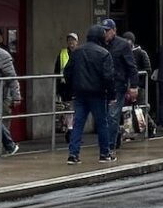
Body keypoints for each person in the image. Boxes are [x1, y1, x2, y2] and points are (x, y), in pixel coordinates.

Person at [63, 24, 114, 165]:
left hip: (80, 93)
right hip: (98, 93)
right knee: (102, 124)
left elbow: (67, 71)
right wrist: (111, 95)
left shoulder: (77, 52)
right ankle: (104, 153)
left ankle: (73, 154)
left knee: (78, 123)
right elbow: (108, 77)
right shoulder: (104, 53)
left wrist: (72, 86)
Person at [101, 19, 138, 156]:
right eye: (104, 31)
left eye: (108, 30)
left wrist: (133, 86)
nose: (105, 33)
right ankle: (115, 138)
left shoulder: (123, 45)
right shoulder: (100, 44)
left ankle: (109, 146)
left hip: (118, 85)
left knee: (112, 115)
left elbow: (131, 66)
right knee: (106, 116)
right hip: (104, 86)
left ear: (114, 30)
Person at [123, 32, 154, 139]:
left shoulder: (141, 53)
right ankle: (128, 131)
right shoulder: (123, 52)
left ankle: (150, 126)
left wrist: (138, 80)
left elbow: (148, 69)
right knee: (127, 110)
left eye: (128, 40)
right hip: (126, 86)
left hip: (139, 86)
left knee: (140, 108)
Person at [53, 32, 78, 143]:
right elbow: (57, 70)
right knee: (68, 109)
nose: (71, 42)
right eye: (69, 40)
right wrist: (58, 88)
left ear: (77, 42)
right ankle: (70, 131)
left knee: (76, 110)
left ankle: (74, 131)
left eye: (73, 40)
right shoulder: (62, 53)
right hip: (66, 86)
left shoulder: (80, 53)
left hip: (77, 86)